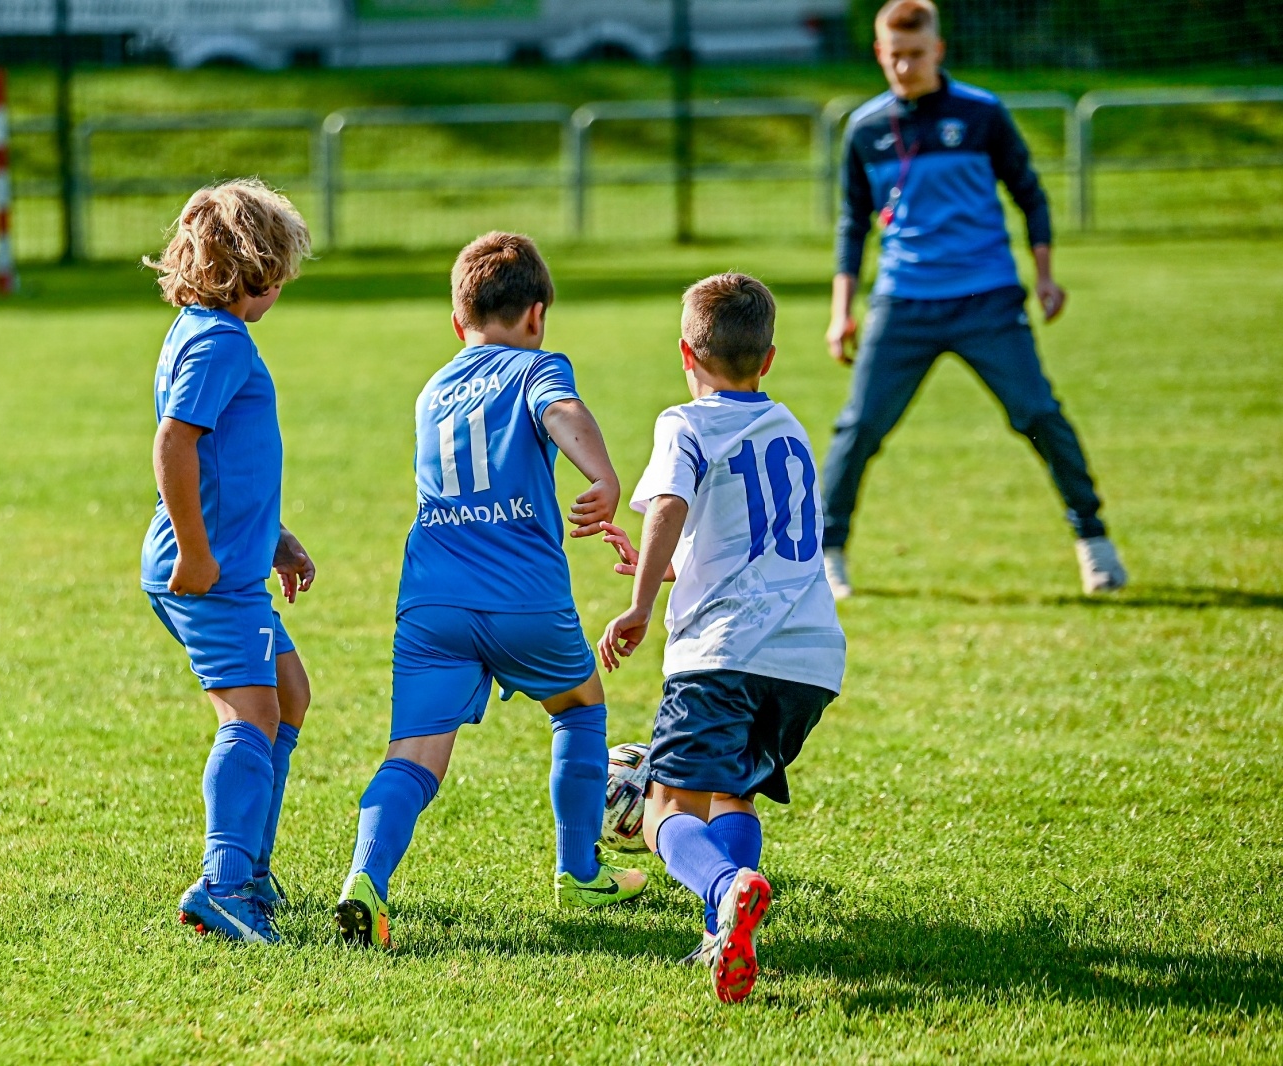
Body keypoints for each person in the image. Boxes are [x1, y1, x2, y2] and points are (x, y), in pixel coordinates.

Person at [335, 231, 647, 950]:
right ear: (536, 316)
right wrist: (601, 477)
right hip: (523, 597)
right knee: (578, 707)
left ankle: (365, 881)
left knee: (411, 757)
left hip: (432, 601)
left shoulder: (433, 388)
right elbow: (560, 410)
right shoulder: (537, 366)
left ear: (457, 322)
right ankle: (579, 872)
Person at [822, 0, 1126, 598]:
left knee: (1039, 415)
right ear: (879, 53)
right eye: (894, 55)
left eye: (916, 54)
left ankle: (1094, 542)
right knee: (858, 429)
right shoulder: (864, 129)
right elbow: (852, 224)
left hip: (987, 299)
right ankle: (828, 554)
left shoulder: (982, 113)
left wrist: (1044, 276)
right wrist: (842, 312)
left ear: (938, 50)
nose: (905, 66)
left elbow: (1029, 194)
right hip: (903, 304)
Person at [599, 274, 845, 1003]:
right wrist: (675, 566)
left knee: (667, 811)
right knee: (730, 797)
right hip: (809, 657)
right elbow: (758, 538)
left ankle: (727, 883)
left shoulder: (686, 422)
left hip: (723, 654)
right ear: (767, 360)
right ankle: (721, 936)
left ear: (685, 352)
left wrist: (641, 600)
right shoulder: (791, 429)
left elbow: (670, 501)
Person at [139, 179, 316, 945]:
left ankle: (250, 866)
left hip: (233, 564)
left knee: (288, 695)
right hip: (206, 573)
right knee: (250, 718)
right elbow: (175, 444)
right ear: (257, 272)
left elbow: (227, 463)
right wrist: (201, 554)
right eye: (279, 270)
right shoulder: (216, 341)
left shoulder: (201, 331)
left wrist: (274, 537)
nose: (281, 285)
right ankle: (224, 883)